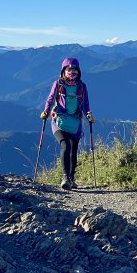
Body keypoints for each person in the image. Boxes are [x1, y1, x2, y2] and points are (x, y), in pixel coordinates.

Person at [40, 57, 95, 189]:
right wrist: (46, 111)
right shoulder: (58, 84)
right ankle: (65, 177)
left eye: (74, 70)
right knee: (66, 146)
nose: (72, 72)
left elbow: (86, 103)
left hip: (75, 123)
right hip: (58, 121)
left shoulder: (82, 86)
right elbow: (50, 98)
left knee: (74, 151)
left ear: (78, 71)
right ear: (64, 71)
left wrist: (88, 114)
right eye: (69, 69)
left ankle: (71, 177)